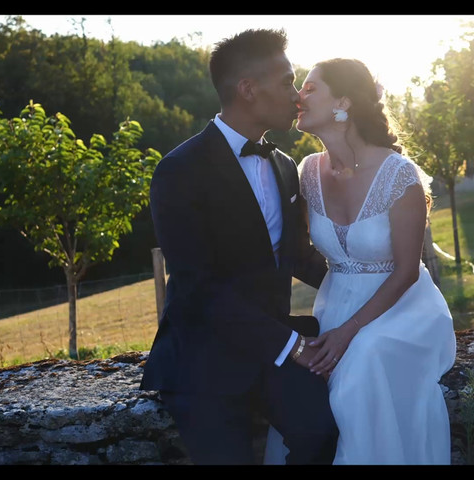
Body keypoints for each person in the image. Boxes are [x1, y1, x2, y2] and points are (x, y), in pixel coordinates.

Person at [139, 29, 339, 465]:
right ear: (248, 89)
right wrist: (291, 345)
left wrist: (371, 281)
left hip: (272, 352)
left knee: (323, 431)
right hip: (202, 357)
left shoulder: (286, 166)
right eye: (287, 81)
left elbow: (299, 256)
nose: (296, 94)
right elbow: (198, 288)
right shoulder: (178, 170)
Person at [264, 58, 457, 465]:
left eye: (311, 88)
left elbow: (406, 271)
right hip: (336, 306)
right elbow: (296, 253)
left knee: (364, 359)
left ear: (344, 103)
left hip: (405, 309)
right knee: (306, 383)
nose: (299, 96)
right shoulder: (307, 172)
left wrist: (350, 332)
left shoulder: (399, 176)